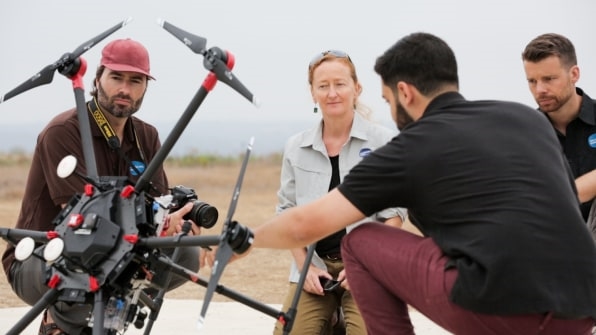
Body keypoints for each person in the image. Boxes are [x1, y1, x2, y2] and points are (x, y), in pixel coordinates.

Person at [245, 32, 596, 334]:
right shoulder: (527, 120)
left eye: (387, 100)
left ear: (404, 92)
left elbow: (306, 223)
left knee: (360, 240)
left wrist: (238, 241)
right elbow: (564, 198)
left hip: (505, 312)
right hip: (582, 308)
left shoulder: (408, 147)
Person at [1, 38, 201, 335]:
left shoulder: (146, 136)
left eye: (135, 80)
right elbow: (83, 225)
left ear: (146, 87)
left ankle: (104, 309)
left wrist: (176, 224)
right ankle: (60, 317)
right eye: (116, 77)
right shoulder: (62, 132)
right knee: (93, 247)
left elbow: (158, 204)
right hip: (44, 256)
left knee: (187, 255)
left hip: (113, 253)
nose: (125, 89)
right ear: (97, 80)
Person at [272, 50, 406, 335]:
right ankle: (331, 318)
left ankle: (341, 320)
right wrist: (304, 268)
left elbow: (395, 213)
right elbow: (286, 212)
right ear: (313, 93)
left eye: (340, 84)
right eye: (323, 86)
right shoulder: (296, 147)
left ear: (356, 88)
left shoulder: (384, 141)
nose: (332, 93)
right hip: (313, 269)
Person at [522, 33, 596, 240]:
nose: (540, 90)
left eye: (549, 79)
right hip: (551, 242)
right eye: (532, 81)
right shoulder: (524, 133)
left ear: (574, 74)